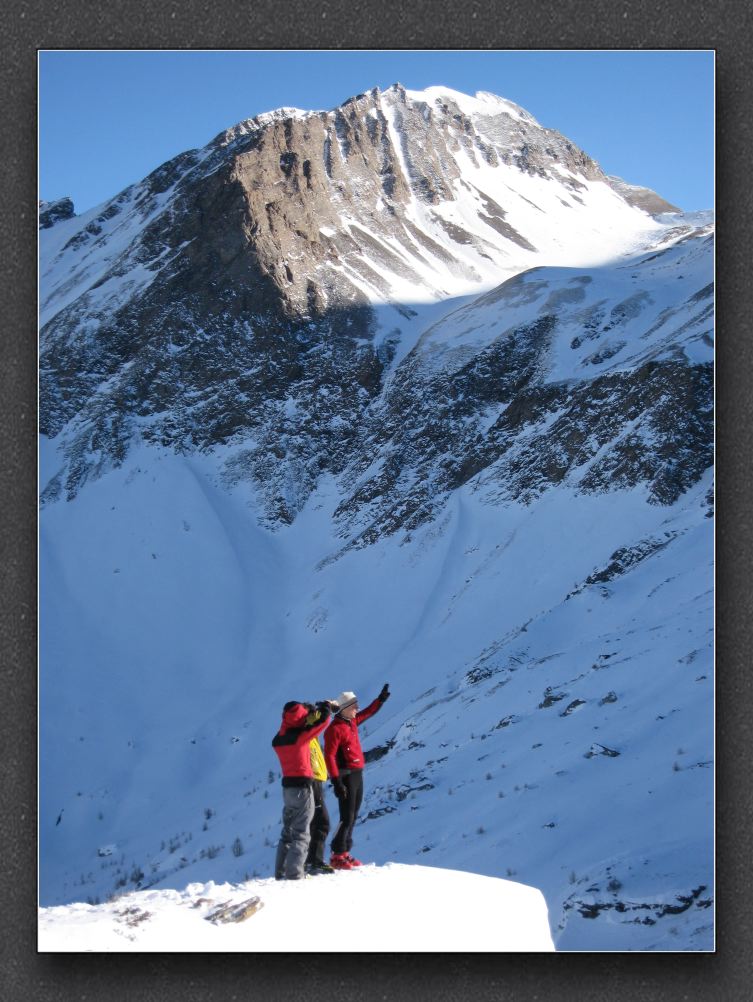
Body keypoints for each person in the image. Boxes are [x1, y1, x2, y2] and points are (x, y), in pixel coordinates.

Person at [324, 683, 390, 870]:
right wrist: (336, 781)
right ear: (344, 709)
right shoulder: (334, 729)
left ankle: (345, 852)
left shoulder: (351, 722)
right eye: (354, 707)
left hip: (357, 772)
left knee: (353, 815)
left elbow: (368, 712)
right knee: (346, 815)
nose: (357, 709)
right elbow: (329, 755)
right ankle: (336, 854)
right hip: (344, 774)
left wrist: (380, 700)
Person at [271, 699, 333, 880]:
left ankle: (281, 872)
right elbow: (323, 723)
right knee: (302, 833)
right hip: (303, 788)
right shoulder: (300, 737)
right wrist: (325, 708)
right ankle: (295, 874)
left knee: (287, 832)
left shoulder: (278, 739)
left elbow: (291, 725)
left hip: (287, 789)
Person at [304, 708, 335, 875]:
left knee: (315, 822)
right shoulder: (306, 732)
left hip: (314, 780)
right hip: (311, 780)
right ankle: (313, 862)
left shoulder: (310, 735)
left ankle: (310, 861)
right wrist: (325, 709)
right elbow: (323, 721)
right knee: (321, 822)